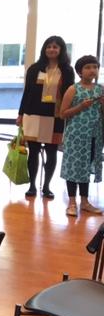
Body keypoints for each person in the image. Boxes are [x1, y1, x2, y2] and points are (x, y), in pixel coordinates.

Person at [17, 35, 74, 199]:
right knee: (33, 152)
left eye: (55, 47)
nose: (52, 49)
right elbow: (27, 92)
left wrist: (67, 114)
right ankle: (32, 185)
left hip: (55, 117)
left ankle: (47, 186)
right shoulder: (34, 68)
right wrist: (21, 114)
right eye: (49, 46)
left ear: (61, 50)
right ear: (44, 49)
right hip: (33, 114)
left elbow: (69, 95)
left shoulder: (67, 70)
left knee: (52, 152)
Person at [59, 55, 104, 217]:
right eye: (88, 67)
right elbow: (62, 113)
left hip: (94, 134)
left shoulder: (100, 89)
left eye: (95, 67)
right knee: (73, 167)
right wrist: (81, 106)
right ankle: (71, 202)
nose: (92, 70)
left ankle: (85, 202)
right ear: (80, 71)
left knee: (86, 167)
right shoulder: (73, 89)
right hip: (76, 134)